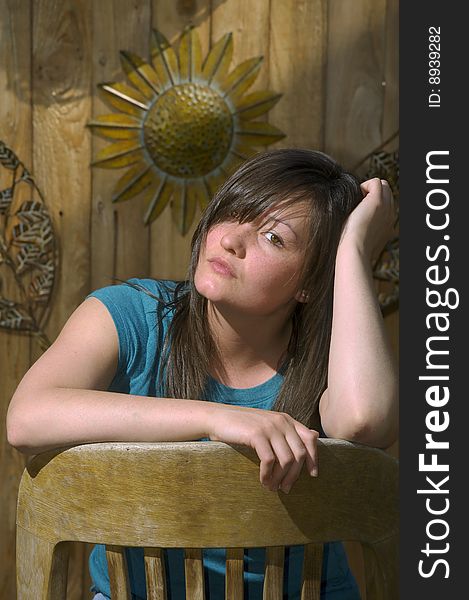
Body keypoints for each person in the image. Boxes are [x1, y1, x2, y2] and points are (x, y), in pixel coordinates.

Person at [7, 148, 398, 599]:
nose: (232, 240)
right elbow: (26, 419)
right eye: (233, 213)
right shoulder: (130, 316)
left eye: (274, 238)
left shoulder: (335, 358)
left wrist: (351, 250)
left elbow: (365, 420)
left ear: (309, 282)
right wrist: (216, 418)